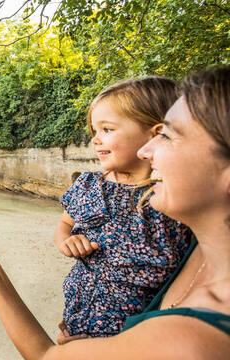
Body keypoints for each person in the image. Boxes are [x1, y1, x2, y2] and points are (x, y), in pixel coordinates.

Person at [0, 66, 230, 359]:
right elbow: (67, 225)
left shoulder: (188, 340)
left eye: (167, 136)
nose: (146, 152)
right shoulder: (203, 248)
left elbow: (44, 355)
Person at [54, 77, 192, 338]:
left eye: (107, 129)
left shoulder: (172, 200)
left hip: (136, 339)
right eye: (94, 131)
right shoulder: (87, 185)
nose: (95, 140)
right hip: (79, 319)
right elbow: (65, 224)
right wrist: (65, 242)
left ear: (155, 132)